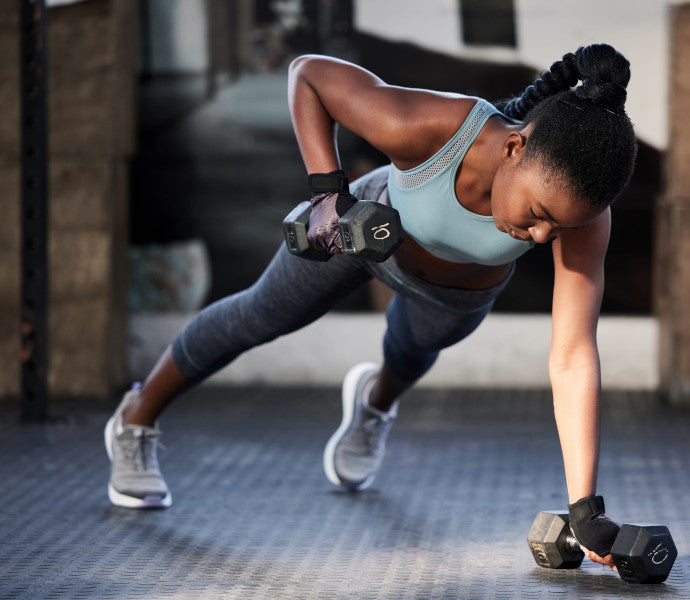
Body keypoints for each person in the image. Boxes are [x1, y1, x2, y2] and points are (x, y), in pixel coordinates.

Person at [105, 44, 637, 571]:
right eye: (540, 214)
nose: (543, 236)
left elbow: (571, 356)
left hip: (456, 295)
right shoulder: (435, 128)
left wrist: (584, 508)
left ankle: (373, 405)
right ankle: (136, 419)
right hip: (363, 230)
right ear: (515, 148)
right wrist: (326, 195)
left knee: (409, 353)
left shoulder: (585, 218)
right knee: (257, 316)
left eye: (560, 228)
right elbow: (308, 75)